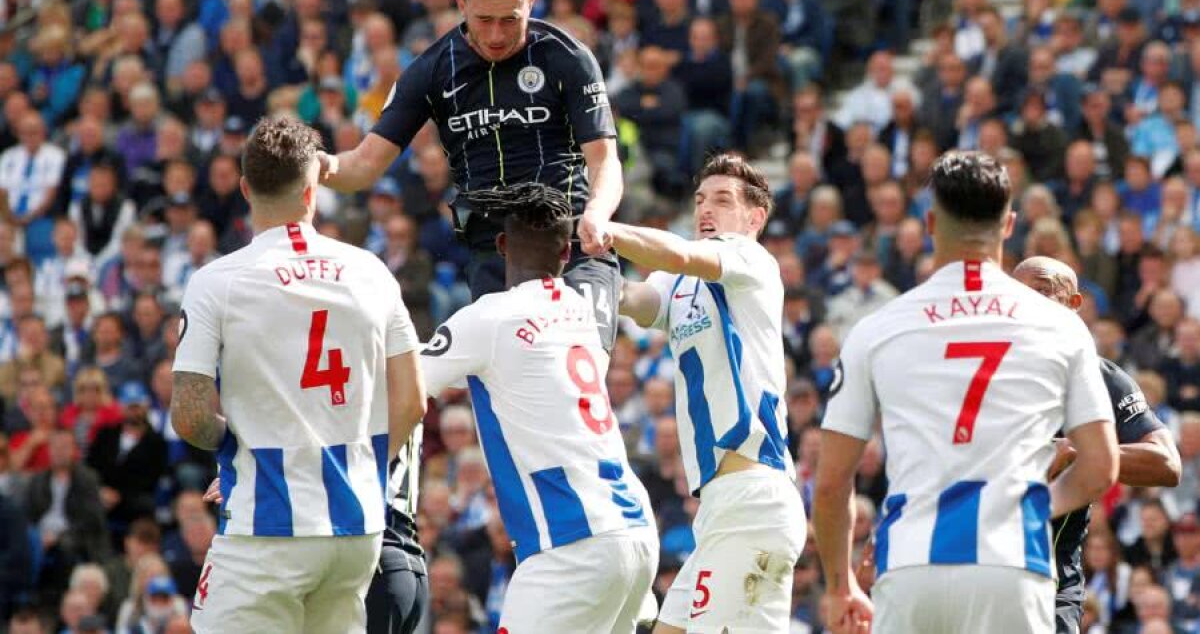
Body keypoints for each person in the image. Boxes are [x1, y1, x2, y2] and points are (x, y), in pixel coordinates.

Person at [814, 150, 1119, 634]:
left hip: (912, 565)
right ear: (1009, 224)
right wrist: (1036, 504)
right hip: (1013, 564)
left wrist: (838, 587)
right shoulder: (1060, 325)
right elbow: (1101, 467)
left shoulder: (879, 328)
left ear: (931, 222)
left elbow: (830, 484)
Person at [321, 0, 623, 354]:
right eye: (485, 19)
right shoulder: (431, 70)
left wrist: (597, 213)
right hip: (494, 252)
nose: (497, 35)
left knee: (577, 370)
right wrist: (312, 164)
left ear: (531, 1)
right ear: (461, 3)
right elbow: (363, 164)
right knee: (512, 395)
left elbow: (604, 160)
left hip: (573, 242)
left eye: (510, 19)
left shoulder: (568, 58)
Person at [170, 117, 426, 633]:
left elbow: (191, 416)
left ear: (244, 188)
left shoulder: (216, 282)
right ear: (312, 192)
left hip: (267, 528)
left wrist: (234, 446)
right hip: (356, 528)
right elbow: (413, 401)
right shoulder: (373, 272)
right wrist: (360, 466)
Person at [420, 182, 658, 633]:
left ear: (502, 245)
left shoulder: (488, 317)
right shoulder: (579, 310)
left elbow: (407, 382)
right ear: (566, 255)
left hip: (570, 542)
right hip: (635, 530)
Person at [604, 153, 806, 632]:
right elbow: (634, 299)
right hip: (725, 507)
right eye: (699, 200)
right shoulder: (678, 282)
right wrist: (569, 266)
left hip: (753, 498)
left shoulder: (750, 258)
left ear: (754, 218)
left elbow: (674, 252)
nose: (705, 210)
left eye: (722, 200)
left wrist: (600, 227)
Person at [1012, 255, 1181, 634]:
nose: (1027, 303)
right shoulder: (980, 372)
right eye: (1017, 294)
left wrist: (1078, 453)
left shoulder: (1101, 378)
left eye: (1041, 291)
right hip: (975, 569)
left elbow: (1166, 464)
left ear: (1074, 304)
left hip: (1050, 583)